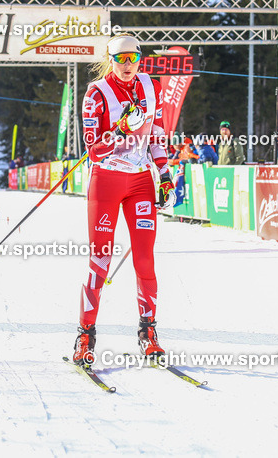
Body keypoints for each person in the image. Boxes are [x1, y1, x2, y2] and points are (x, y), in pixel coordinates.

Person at [72, 35, 174, 367]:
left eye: (133, 58)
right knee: (100, 261)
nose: (128, 64)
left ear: (140, 59)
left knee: (144, 260)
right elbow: (92, 149)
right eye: (121, 58)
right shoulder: (96, 94)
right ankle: (85, 335)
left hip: (140, 182)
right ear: (111, 60)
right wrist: (119, 129)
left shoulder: (151, 87)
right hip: (107, 181)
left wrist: (165, 174)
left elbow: (156, 133)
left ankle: (148, 332)